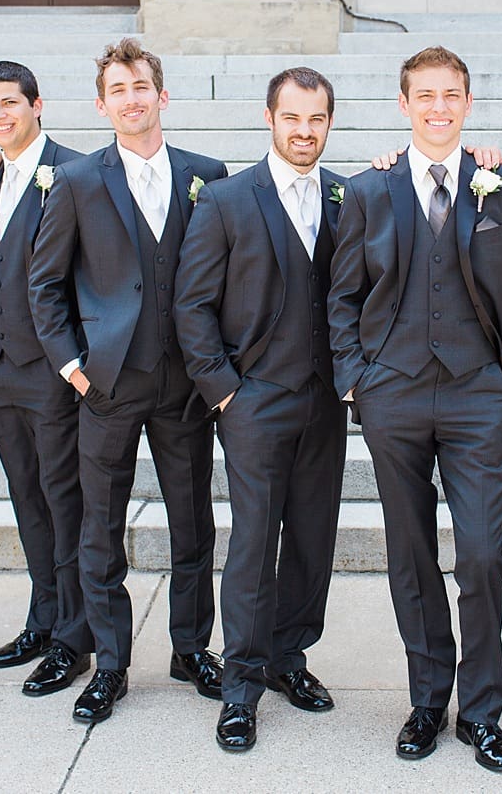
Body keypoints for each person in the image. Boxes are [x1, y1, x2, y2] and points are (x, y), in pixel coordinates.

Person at [327, 46, 502, 773]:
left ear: (467, 101)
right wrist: (355, 379)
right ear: (403, 103)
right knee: (410, 552)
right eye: (425, 94)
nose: (438, 106)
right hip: (392, 390)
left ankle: (480, 709)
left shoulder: (501, 188)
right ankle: (427, 698)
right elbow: (342, 296)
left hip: (479, 392)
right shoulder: (368, 189)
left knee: (481, 555)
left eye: (450, 93)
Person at [27, 38, 228, 724]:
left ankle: (190, 645)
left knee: (191, 521)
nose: (132, 98)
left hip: (185, 386)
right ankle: (109, 662)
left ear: (162, 96)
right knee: (99, 528)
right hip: (107, 385)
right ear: (102, 103)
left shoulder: (209, 175)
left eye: (141, 86)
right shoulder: (79, 180)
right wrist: (72, 365)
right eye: (119, 89)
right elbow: (44, 282)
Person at [174, 67, 349, 752]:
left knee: (312, 537)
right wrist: (223, 392)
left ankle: (288, 658)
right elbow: (191, 306)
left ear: (329, 123)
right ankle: (241, 686)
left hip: (325, 403)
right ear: (269, 118)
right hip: (252, 401)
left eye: (316, 120)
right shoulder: (224, 200)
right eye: (292, 118)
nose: (304, 131)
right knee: (253, 544)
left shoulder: (345, 196)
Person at [0, 61, 90, 696]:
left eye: (10, 103)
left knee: (65, 499)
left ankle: (76, 635)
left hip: (53, 372)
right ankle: (43, 617)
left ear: (38, 105)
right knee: (26, 497)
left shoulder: (75, 171)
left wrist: (77, 361)